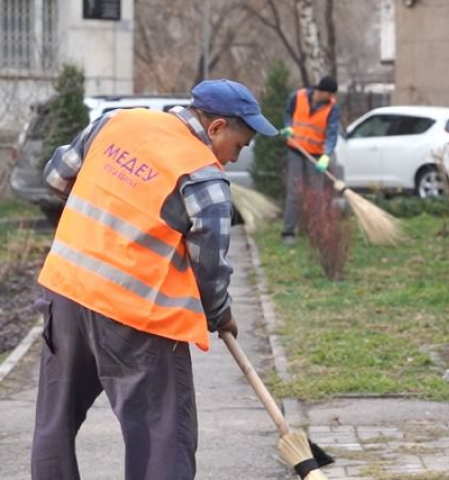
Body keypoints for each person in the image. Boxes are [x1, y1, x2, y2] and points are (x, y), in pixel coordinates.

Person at [30, 79, 277, 480]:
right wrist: (220, 314)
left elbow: (57, 178)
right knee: (163, 441)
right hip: (136, 319)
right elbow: (209, 267)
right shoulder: (204, 179)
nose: (233, 158)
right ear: (216, 129)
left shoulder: (115, 124)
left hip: (66, 295)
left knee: (54, 424)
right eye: (239, 145)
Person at [280, 76, 341, 245]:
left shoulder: (332, 108)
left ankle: (314, 231)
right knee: (294, 192)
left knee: (316, 194)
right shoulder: (297, 96)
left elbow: (332, 133)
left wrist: (326, 155)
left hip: (315, 155)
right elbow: (287, 113)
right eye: (329, 94)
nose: (331, 98)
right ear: (321, 91)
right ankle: (288, 232)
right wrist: (288, 126)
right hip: (296, 149)